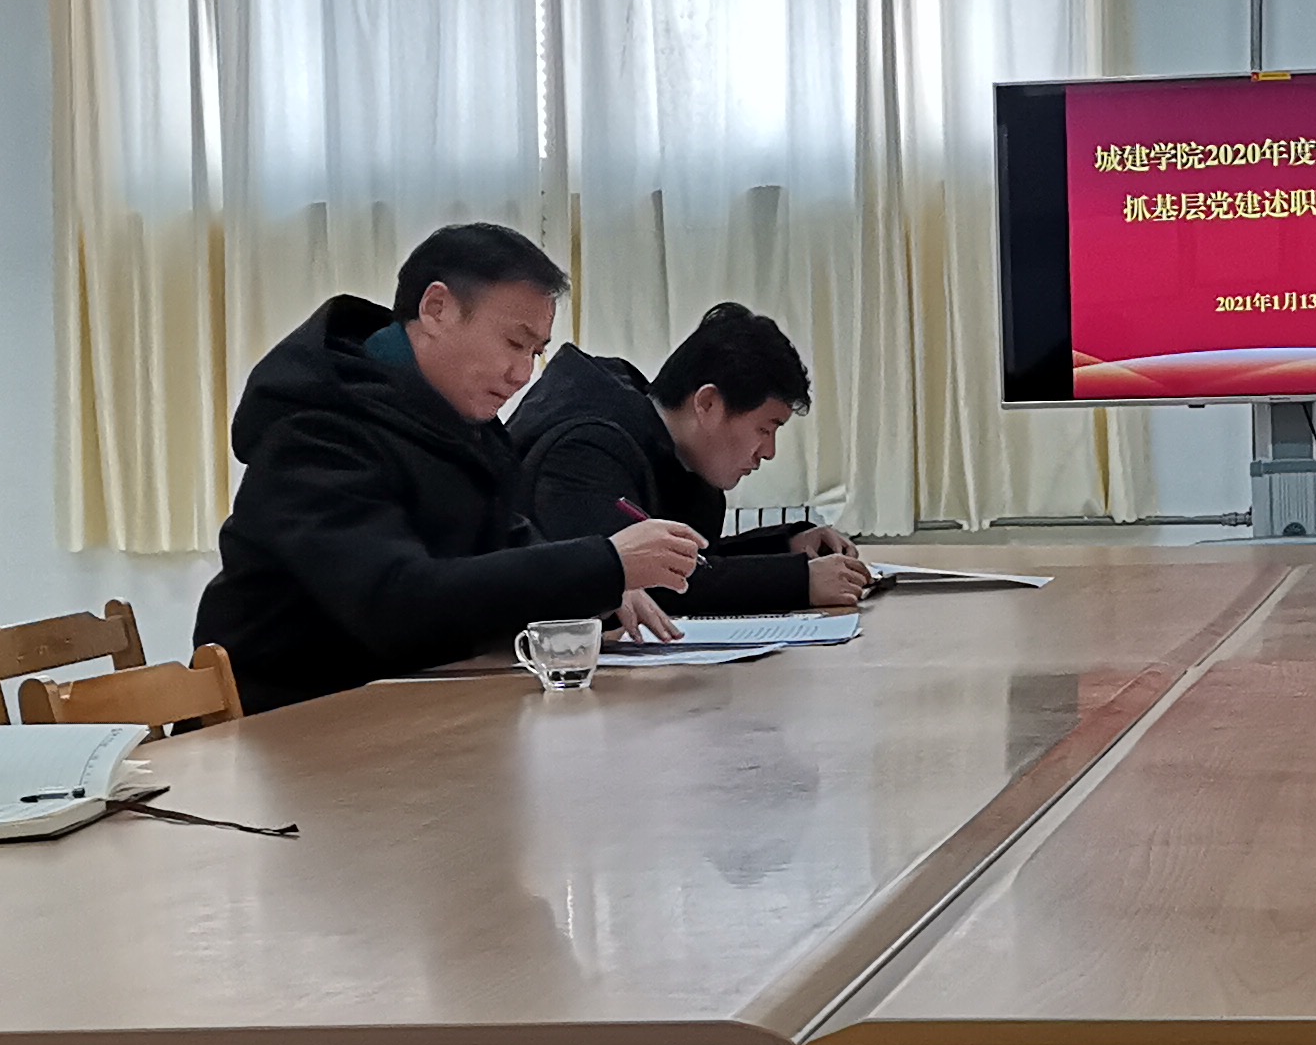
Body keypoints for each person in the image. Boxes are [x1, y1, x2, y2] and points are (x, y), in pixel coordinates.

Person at [194, 221, 706, 711]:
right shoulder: (318, 430)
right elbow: (396, 605)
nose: (522, 374)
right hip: (285, 729)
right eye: (514, 343)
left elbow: (505, 549)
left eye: (535, 352)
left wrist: (601, 587)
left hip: (407, 715)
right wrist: (602, 564)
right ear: (436, 308)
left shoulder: (458, 427)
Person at [515, 303, 870, 617]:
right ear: (708, 403)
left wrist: (788, 545)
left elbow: (694, 562)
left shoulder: (676, 456)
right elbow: (643, 581)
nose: (768, 451)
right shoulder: (585, 449)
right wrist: (798, 580)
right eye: (764, 429)